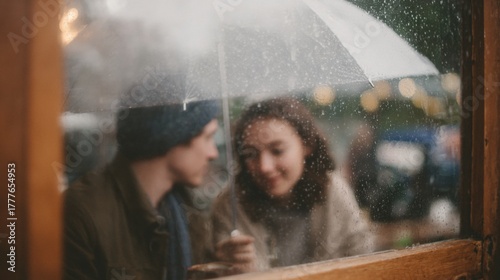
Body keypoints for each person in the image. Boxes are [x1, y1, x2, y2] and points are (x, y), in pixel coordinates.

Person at [63, 71, 220, 280]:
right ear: (173, 135)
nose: (213, 153)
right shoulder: (82, 213)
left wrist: (228, 268)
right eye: (207, 137)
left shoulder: (187, 212)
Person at [210, 98, 374, 273]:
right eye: (251, 154)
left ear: (307, 145)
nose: (264, 167)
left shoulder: (333, 191)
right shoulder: (230, 206)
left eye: (277, 151)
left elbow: (363, 260)